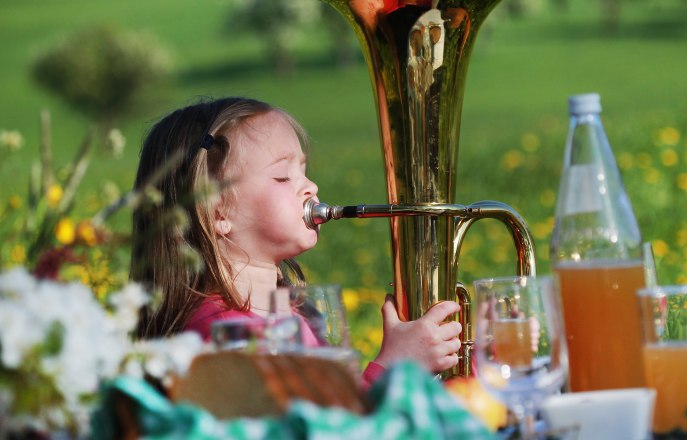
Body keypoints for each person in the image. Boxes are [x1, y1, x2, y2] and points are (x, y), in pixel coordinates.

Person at [130, 96, 462, 387]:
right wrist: (395, 368)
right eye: (282, 176)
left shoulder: (292, 312)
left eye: (303, 171)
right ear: (218, 211)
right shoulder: (226, 335)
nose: (311, 187)